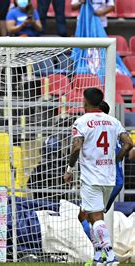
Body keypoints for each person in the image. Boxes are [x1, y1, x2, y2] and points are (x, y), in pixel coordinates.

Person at [64, 88, 133, 265]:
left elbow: (77, 147)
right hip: (109, 178)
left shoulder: (81, 122)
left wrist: (70, 168)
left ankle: (110, 257)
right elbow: (128, 144)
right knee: (86, 214)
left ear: (85, 102)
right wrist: (115, 160)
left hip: (91, 178)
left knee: (95, 217)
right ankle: (98, 256)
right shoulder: (113, 121)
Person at [78, 101, 125, 248]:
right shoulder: (113, 129)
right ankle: (99, 253)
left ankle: (103, 252)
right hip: (115, 180)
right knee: (95, 218)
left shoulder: (92, 130)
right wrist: (118, 158)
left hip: (102, 179)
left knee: (88, 216)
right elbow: (128, 145)